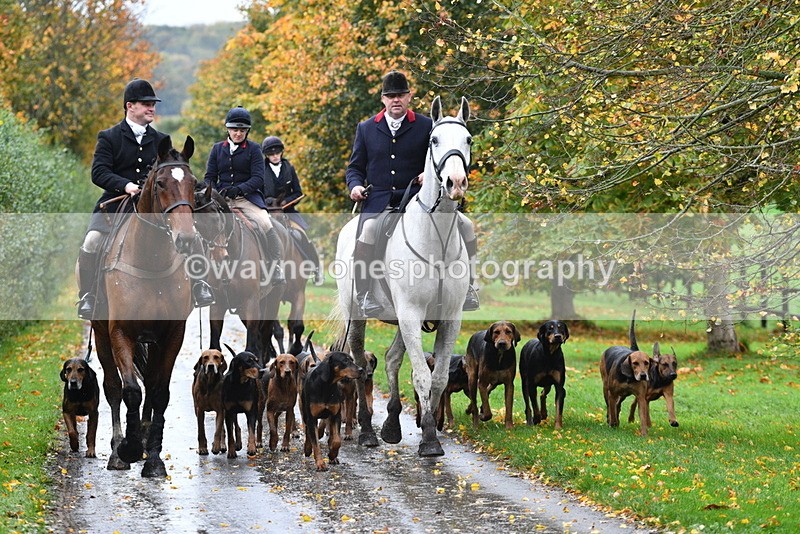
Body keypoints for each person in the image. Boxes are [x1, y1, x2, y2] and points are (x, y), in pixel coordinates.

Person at [76, 78, 214, 319]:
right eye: (146, 103)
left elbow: (173, 174)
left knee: (193, 236)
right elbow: (98, 172)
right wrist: (126, 185)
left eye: (153, 104)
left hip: (155, 207)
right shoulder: (109, 137)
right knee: (92, 241)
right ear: (130, 106)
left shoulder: (162, 140)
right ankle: (89, 296)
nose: (152, 108)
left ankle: (200, 285)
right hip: (116, 203)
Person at [345, 70, 480, 317]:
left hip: (418, 199)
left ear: (409, 97)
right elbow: (355, 167)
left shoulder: (427, 125)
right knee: (369, 231)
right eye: (391, 96)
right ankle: (365, 294)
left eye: (401, 95)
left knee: (467, 225)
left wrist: (426, 175)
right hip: (380, 200)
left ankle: (470, 285)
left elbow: (438, 157)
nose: (396, 100)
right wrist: (354, 185)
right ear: (383, 99)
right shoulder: (366, 128)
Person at [204, 106, 285, 286]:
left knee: (266, 223)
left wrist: (240, 189)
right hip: (221, 199)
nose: (238, 133)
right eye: (235, 129)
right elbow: (209, 177)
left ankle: (275, 266)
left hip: (247, 199)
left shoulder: (254, 149)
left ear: (247, 131)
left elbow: (258, 178)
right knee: (201, 224)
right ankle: (200, 276)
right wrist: (216, 192)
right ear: (228, 129)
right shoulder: (217, 149)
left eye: (242, 130)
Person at [261, 136, 323, 284]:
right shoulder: (260, 170)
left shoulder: (290, 168)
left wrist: (285, 202)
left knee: (302, 235)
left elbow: (297, 192)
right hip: (267, 211)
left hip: (288, 211)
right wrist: (268, 202)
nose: (275, 156)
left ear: (281, 153)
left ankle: (315, 268)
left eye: (277, 153)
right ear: (267, 155)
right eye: (271, 154)